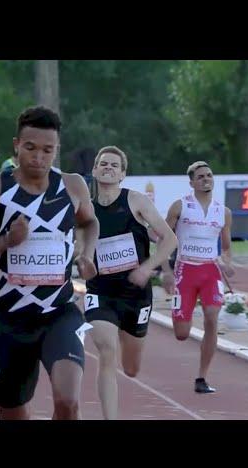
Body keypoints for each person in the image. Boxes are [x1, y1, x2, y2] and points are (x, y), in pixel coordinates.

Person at [0, 105, 99, 420]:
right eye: (31, 148)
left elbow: (90, 223)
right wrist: (6, 241)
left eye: (48, 150)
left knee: (68, 401)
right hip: (10, 321)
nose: (39, 157)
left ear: (56, 150)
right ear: (16, 145)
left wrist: (86, 253)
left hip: (59, 313)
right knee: (12, 411)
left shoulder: (73, 186)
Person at [82, 146, 177, 419]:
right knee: (106, 351)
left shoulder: (136, 201)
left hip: (135, 294)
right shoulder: (86, 210)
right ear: (95, 170)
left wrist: (148, 268)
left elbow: (170, 239)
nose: (108, 167)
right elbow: (81, 248)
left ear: (123, 174)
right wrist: (83, 261)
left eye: (114, 165)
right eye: (103, 163)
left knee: (131, 368)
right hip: (100, 292)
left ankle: (131, 344)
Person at [161, 161, 234, 394]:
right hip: (185, 271)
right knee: (182, 333)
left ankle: (202, 378)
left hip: (210, 271)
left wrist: (226, 262)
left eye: (209, 175)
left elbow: (226, 247)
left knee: (212, 317)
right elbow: (163, 239)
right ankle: (183, 318)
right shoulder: (179, 207)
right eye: (201, 176)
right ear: (192, 182)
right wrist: (166, 270)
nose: (206, 179)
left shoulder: (223, 212)